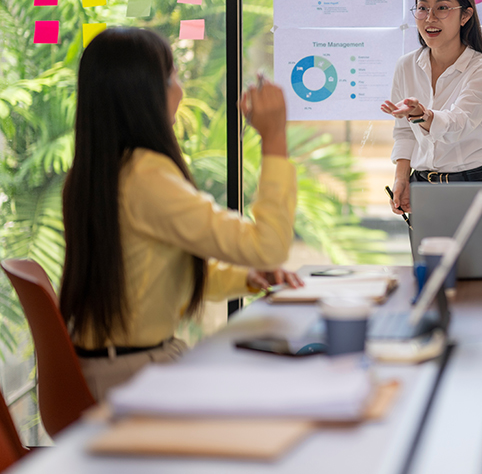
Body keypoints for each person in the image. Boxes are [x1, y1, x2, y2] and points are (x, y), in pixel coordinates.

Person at [59, 28, 302, 401]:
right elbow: (268, 245)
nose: (181, 89)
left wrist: (248, 278)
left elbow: (156, 275)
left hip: (110, 371)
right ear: (142, 93)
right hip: (132, 377)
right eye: (172, 76)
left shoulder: (101, 169)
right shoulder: (146, 175)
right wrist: (274, 139)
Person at [381, 0, 482, 216]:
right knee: (428, 257)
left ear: (465, 15)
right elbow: (405, 131)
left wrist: (423, 116)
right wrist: (402, 179)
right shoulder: (406, 66)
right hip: (423, 188)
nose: (430, 18)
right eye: (422, 8)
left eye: (442, 8)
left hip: (476, 187)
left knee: (481, 257)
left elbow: (458, 124)